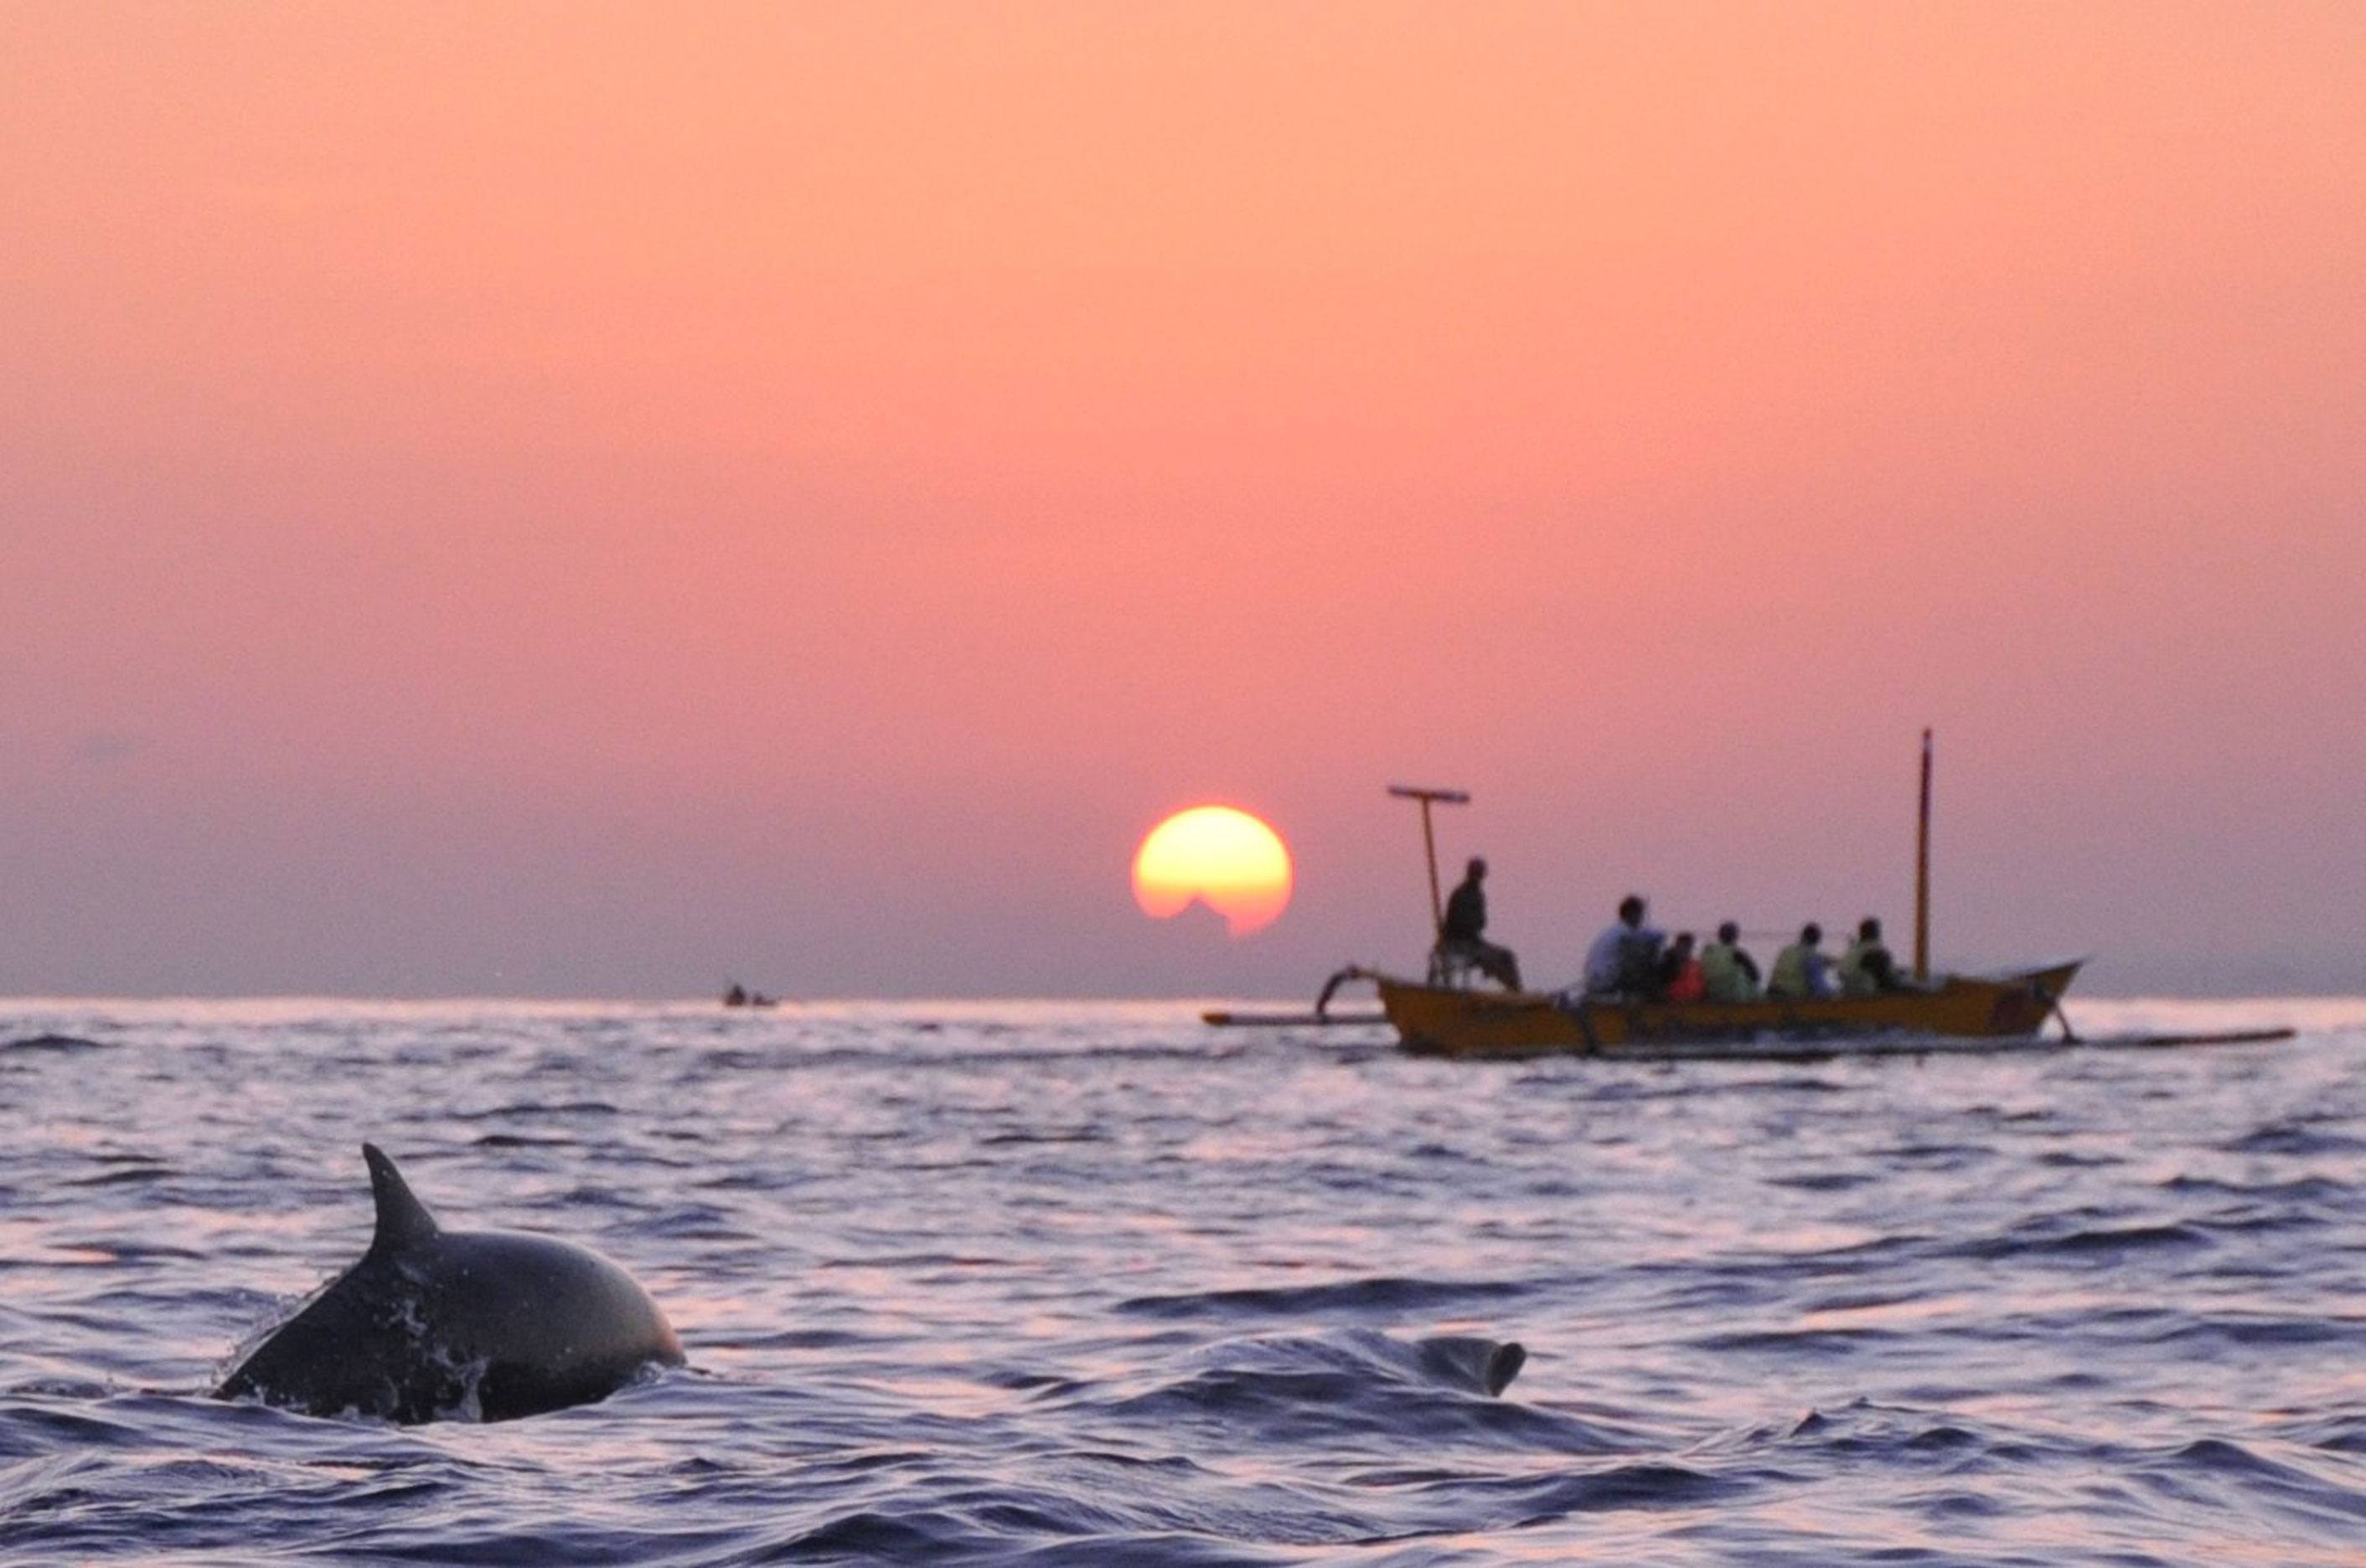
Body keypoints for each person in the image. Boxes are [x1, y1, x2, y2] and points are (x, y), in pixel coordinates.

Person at [1440, 856, 1522, 991]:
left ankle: (1515, 992)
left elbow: (1481, 922)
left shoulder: (1477, 894)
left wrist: (1477, 925)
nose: (1480, 876)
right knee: (1493, 959)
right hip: (1459, 942)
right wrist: (1475, 926)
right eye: (1477, 872)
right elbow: (1465, 923)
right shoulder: (1462, 894)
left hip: (1473, 941)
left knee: (1507, 956)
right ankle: (1513, 991)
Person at [1583, 894, 1666, 997]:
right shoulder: (1623, 932)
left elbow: (1650, 934)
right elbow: (1638, 949)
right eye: (1640, 914)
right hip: (1604, 980)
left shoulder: (1614, 931)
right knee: (1645, 959)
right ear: (1631, 914)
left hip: (1594, 979)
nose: (1641, 918)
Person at [1837, 916, 1904, 996]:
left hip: (1847, 993)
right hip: (1868, 995)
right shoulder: (1875, 950)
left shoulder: (1852, 951)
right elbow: (1887, 979)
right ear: (1876, 932)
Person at [1768, 922, 1836, 999]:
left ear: (1802, 936)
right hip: (1791, 998)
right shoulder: (1812, 957)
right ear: (1818, 940)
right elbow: (1820, 988)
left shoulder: (1786, 951)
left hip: (1772, 994)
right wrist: (1835, 994)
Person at [1700, 921, 1762, 1003]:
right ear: (1735, 937)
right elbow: (1756, 976)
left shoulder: (1708, 952)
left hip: (1711, 994)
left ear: (1719, 936)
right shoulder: (1737, 954)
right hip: (1732, 996)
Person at [1661, 931, 1706, 1003]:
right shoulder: (1668, 962)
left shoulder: (1696, 966)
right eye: (1684, 946)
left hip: (1693, 1004)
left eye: (1688, 946)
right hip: (1672, 1004)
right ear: (1677, 946)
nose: (1686, 950)